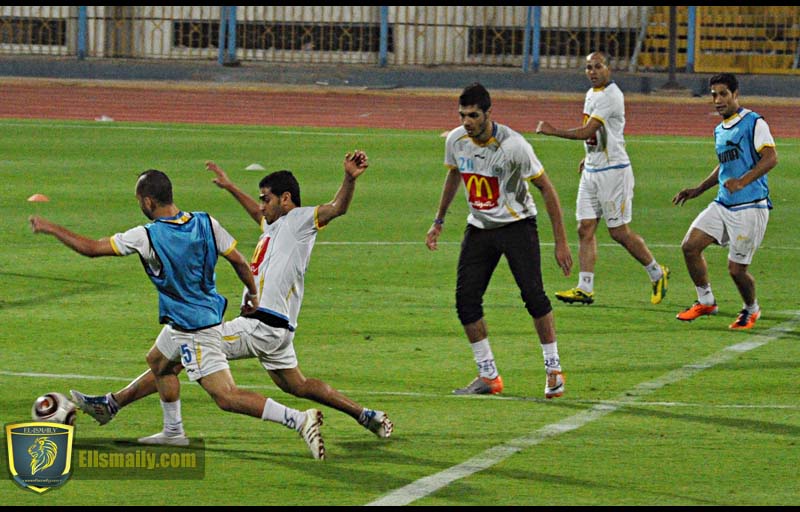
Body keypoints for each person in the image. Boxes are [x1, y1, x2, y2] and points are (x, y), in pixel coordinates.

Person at [70, 150, 394, 443]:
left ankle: (114, 404)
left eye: (266, 199)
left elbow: (337, 208)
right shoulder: (274, 227)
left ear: (285, 199)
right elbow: (258, 216)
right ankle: (366, 415)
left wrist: (349, 178)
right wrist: (230, 187)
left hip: (262, 324)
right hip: (277, 328)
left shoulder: (299, 221)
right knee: (298, 385)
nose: (261, 205)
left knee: (188, 345)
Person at [29, 169, 325, 459]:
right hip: (195, 317)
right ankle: (169, 430)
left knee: (226, 396)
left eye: (139, 201)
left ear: (148, 202)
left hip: (193, 329)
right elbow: (238, 260)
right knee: (158, 362)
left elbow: (92, 248)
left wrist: (51, 227)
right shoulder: (206, 222)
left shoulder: (147, 235)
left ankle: (299, 420)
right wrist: (252, 292)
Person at [425, 82, 573, 399]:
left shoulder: (515, 146)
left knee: (534, 296)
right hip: (479, 227)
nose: (467, 122)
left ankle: (553, 369)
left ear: (488, 113)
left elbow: (547, 188)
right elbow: (454, 174)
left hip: (517, 226)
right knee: (466, 301)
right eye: (462, 115)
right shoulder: (455, 140)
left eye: (473, 115)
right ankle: (488, 375)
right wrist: (439, 220)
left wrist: (561, 242)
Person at [536, 50, 669, 306]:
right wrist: (589, 155)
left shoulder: (612, 95)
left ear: (608, 68)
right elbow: (598, 135)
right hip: (593, 170)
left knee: (618, 232)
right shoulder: (591, 94)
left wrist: (553, 131)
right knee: (584, 227)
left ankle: (656, 272)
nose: (593, 72)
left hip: (613, 172)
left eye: (598, 66)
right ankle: (585, 288)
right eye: (589, 67)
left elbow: (588, 130)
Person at [672, 73, 777, 330]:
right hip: (723, 204)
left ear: (735, 94)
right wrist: (699, 189)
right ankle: (706, 301)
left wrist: (742, 181)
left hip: (750, 207)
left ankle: (751, 309)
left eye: (723, 94)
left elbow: (771, 158)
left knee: (736, 270)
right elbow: (724, 166)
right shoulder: (720, 129)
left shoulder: (754, 122)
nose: (718, 100)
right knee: (690, 246)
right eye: (714, 95)